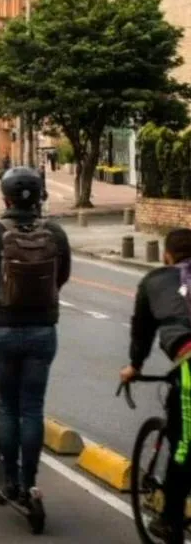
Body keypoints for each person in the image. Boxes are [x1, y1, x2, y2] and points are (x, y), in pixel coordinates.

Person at [0, 166, 71, 507]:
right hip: (42, 331)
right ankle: (30, 481)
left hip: (3, 331)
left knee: (7, 407)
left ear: (5, 197)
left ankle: (8, 476)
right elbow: (61, 276)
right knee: (33, 408)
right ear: (40, 197)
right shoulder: (55, 232)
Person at [120, 228, 191, 543]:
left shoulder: (155, 281)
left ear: (167, 256)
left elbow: (142, 332)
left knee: (184, 447)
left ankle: (171, 521)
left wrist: (135, 366)